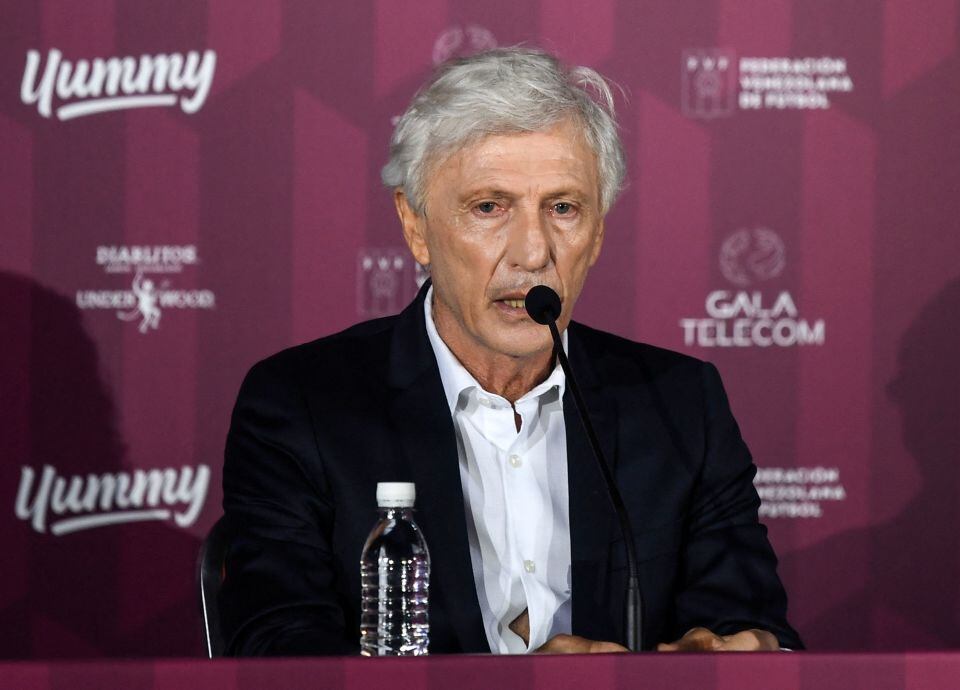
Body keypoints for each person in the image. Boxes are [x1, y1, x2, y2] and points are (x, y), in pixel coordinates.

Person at [219, 47, 802, 655]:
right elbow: (279, 654)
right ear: (415, 225)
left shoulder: (680, 405)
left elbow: (752, 624)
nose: (532, 252)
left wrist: (738, 650)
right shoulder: (302, 407)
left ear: (598, 232)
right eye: (489, 207)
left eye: (563, 208)